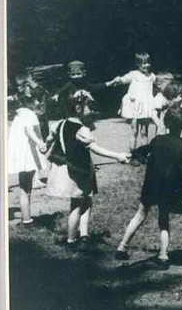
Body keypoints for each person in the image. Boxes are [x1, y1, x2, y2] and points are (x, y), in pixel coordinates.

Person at [115, 107, 182, 269]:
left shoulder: (157, 140)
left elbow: (143, 150)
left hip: (151, 185)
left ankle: (122, 246)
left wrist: (132, 154)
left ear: (165, 122)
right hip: (168, 189)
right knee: (164, 220)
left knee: (140, 214)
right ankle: (163, 255)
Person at [45, 90, 129, 249]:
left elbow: (50, 138)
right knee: (76, 205)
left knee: (86, 199)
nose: (91, 109)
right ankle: (71, 240)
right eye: (89, 106)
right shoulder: (82, 130)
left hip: (70, 168)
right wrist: (117, 155)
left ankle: (84, 235)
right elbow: (95, 148)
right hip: (78, 170)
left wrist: (45, 145)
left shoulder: (59, 124)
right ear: (78, 108)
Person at [8, 92, 47, 225]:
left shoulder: (20, 113)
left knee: (24, 187)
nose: (39, 103)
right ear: (29, 101)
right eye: (38, 100)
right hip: (27, 155)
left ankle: (26, 219)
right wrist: (40, 143)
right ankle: (27, 220)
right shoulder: (30, 115)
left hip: (20, 155)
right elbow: (29, 131)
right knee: (27, 188)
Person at [107, 52, 156, 152]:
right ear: (137, 64)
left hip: (146, 107)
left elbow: (161, 82)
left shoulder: (152, 76)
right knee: (134, 131)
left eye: (148, 63)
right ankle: (133, 153)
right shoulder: (134, 74)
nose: (146, 65)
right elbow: (124, 79)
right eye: (143, 63)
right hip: (135, 106)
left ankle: (143, 154)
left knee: (144, 132)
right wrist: (118, 80)